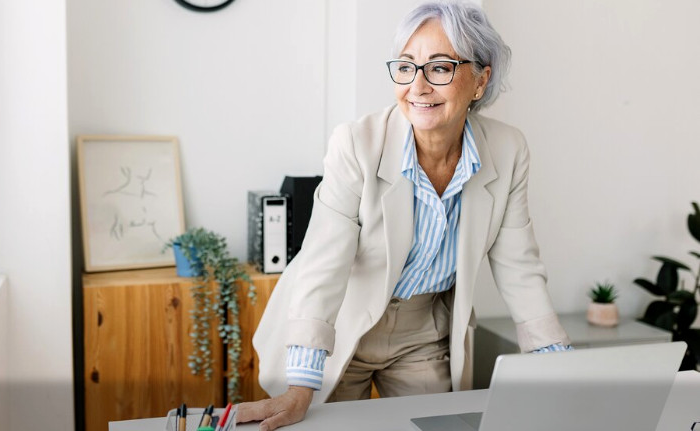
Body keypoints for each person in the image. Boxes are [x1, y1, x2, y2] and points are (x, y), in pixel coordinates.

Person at [238, 1, 571, 430]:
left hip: (423, 335)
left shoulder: (508, 150)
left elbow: (519, 267)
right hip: (340, 323)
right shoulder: (356, 144)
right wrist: (303, 381)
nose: (418, 86)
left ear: (481, 80)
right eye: (406, 66)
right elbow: (324, 261)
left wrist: (560, 369)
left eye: (439, 68)